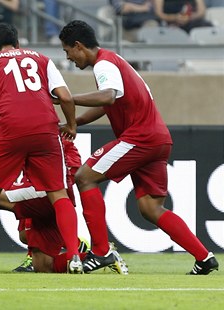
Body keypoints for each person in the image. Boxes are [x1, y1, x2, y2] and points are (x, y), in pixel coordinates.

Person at [58, 20, 219, 275]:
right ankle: (204, 257)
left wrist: (67, 98)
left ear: (78, 46)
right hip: (158, 139)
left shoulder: (104, 64)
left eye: (68, 51)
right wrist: (74, 122)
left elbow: (108, 96)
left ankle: (101, 251)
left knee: (84, 177)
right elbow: (107, 104)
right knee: (151, 209)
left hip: (140, 138)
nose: (68, 58)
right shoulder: (115, 62)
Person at [0, 22, 82, 274]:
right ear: (17, 44)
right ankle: (74, 257)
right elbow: (66, 97)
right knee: (58, 194)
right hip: (45, 129)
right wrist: (71, 125)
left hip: (9, 130)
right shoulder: (42, 59)